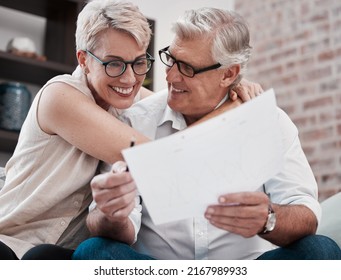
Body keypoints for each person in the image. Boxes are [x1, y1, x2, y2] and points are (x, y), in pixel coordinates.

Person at [73, 7, 341, 260]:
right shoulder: (136, 121)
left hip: (244, 270)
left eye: (187, 68)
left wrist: (268, 218)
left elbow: (305, 211)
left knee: (320, 250)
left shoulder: (269, 122)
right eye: (171, 59)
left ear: (229, 74)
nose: (171, 77)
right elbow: (106, 222)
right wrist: (113, 214)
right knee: (93, 250)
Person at [0, 0, 258, 260]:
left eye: (138, 63)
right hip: (14, 243)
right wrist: (228, 109)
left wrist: (225, 86)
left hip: (68, 254)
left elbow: (183, 106)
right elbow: (160, 157)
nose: (129, 79)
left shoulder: (129, 100)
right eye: (114, 63)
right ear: (84, 60)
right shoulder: (60, 96)